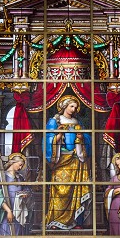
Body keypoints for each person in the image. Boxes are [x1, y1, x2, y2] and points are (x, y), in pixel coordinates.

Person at [45, 96, 92, 230]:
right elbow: (48, 138)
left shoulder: (78, 122)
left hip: (77, 160)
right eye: (72, 106)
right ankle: (55, 221)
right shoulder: (54, 121)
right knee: (59, 191)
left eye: (76, 107)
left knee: (76, 190)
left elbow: (87, 138)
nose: (74, 109)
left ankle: (76, 222)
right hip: (61, 160)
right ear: (64, 106)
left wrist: (82, 138)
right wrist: (58, 136)